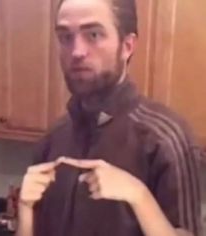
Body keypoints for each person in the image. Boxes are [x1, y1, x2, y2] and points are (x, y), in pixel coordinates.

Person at [16, 0, 201, 235]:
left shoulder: (165, 139)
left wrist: (139, 197)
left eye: (93, 34)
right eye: (65, 37)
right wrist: (25, 210)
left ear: (127, 46)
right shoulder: (53, 138)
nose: (76, 51)